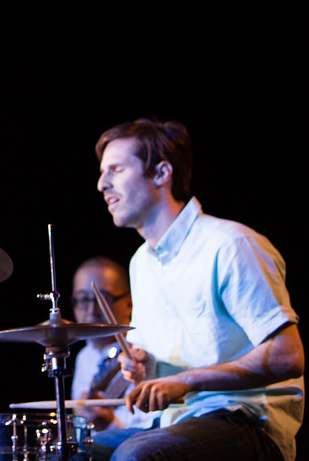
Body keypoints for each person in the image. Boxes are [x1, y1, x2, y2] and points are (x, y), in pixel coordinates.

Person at [91, 118, 303, 460]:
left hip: (246, 420)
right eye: (103, 172)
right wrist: (144, 367)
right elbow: (153, 362)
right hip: (175, 420)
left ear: (161, 173)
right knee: (79, 450)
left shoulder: (231, 244)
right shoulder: (140, 262)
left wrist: (188, 380)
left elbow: (287, 355)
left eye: (115, 170)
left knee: (136, 456)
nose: (102, 184)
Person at [69, 256, 140, 432]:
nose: (92, 311)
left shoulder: (142, 353)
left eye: (103, 299)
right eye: (83, 299)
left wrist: (109, 424)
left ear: (129, 303)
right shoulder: (84, 357)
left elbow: (148, 440)